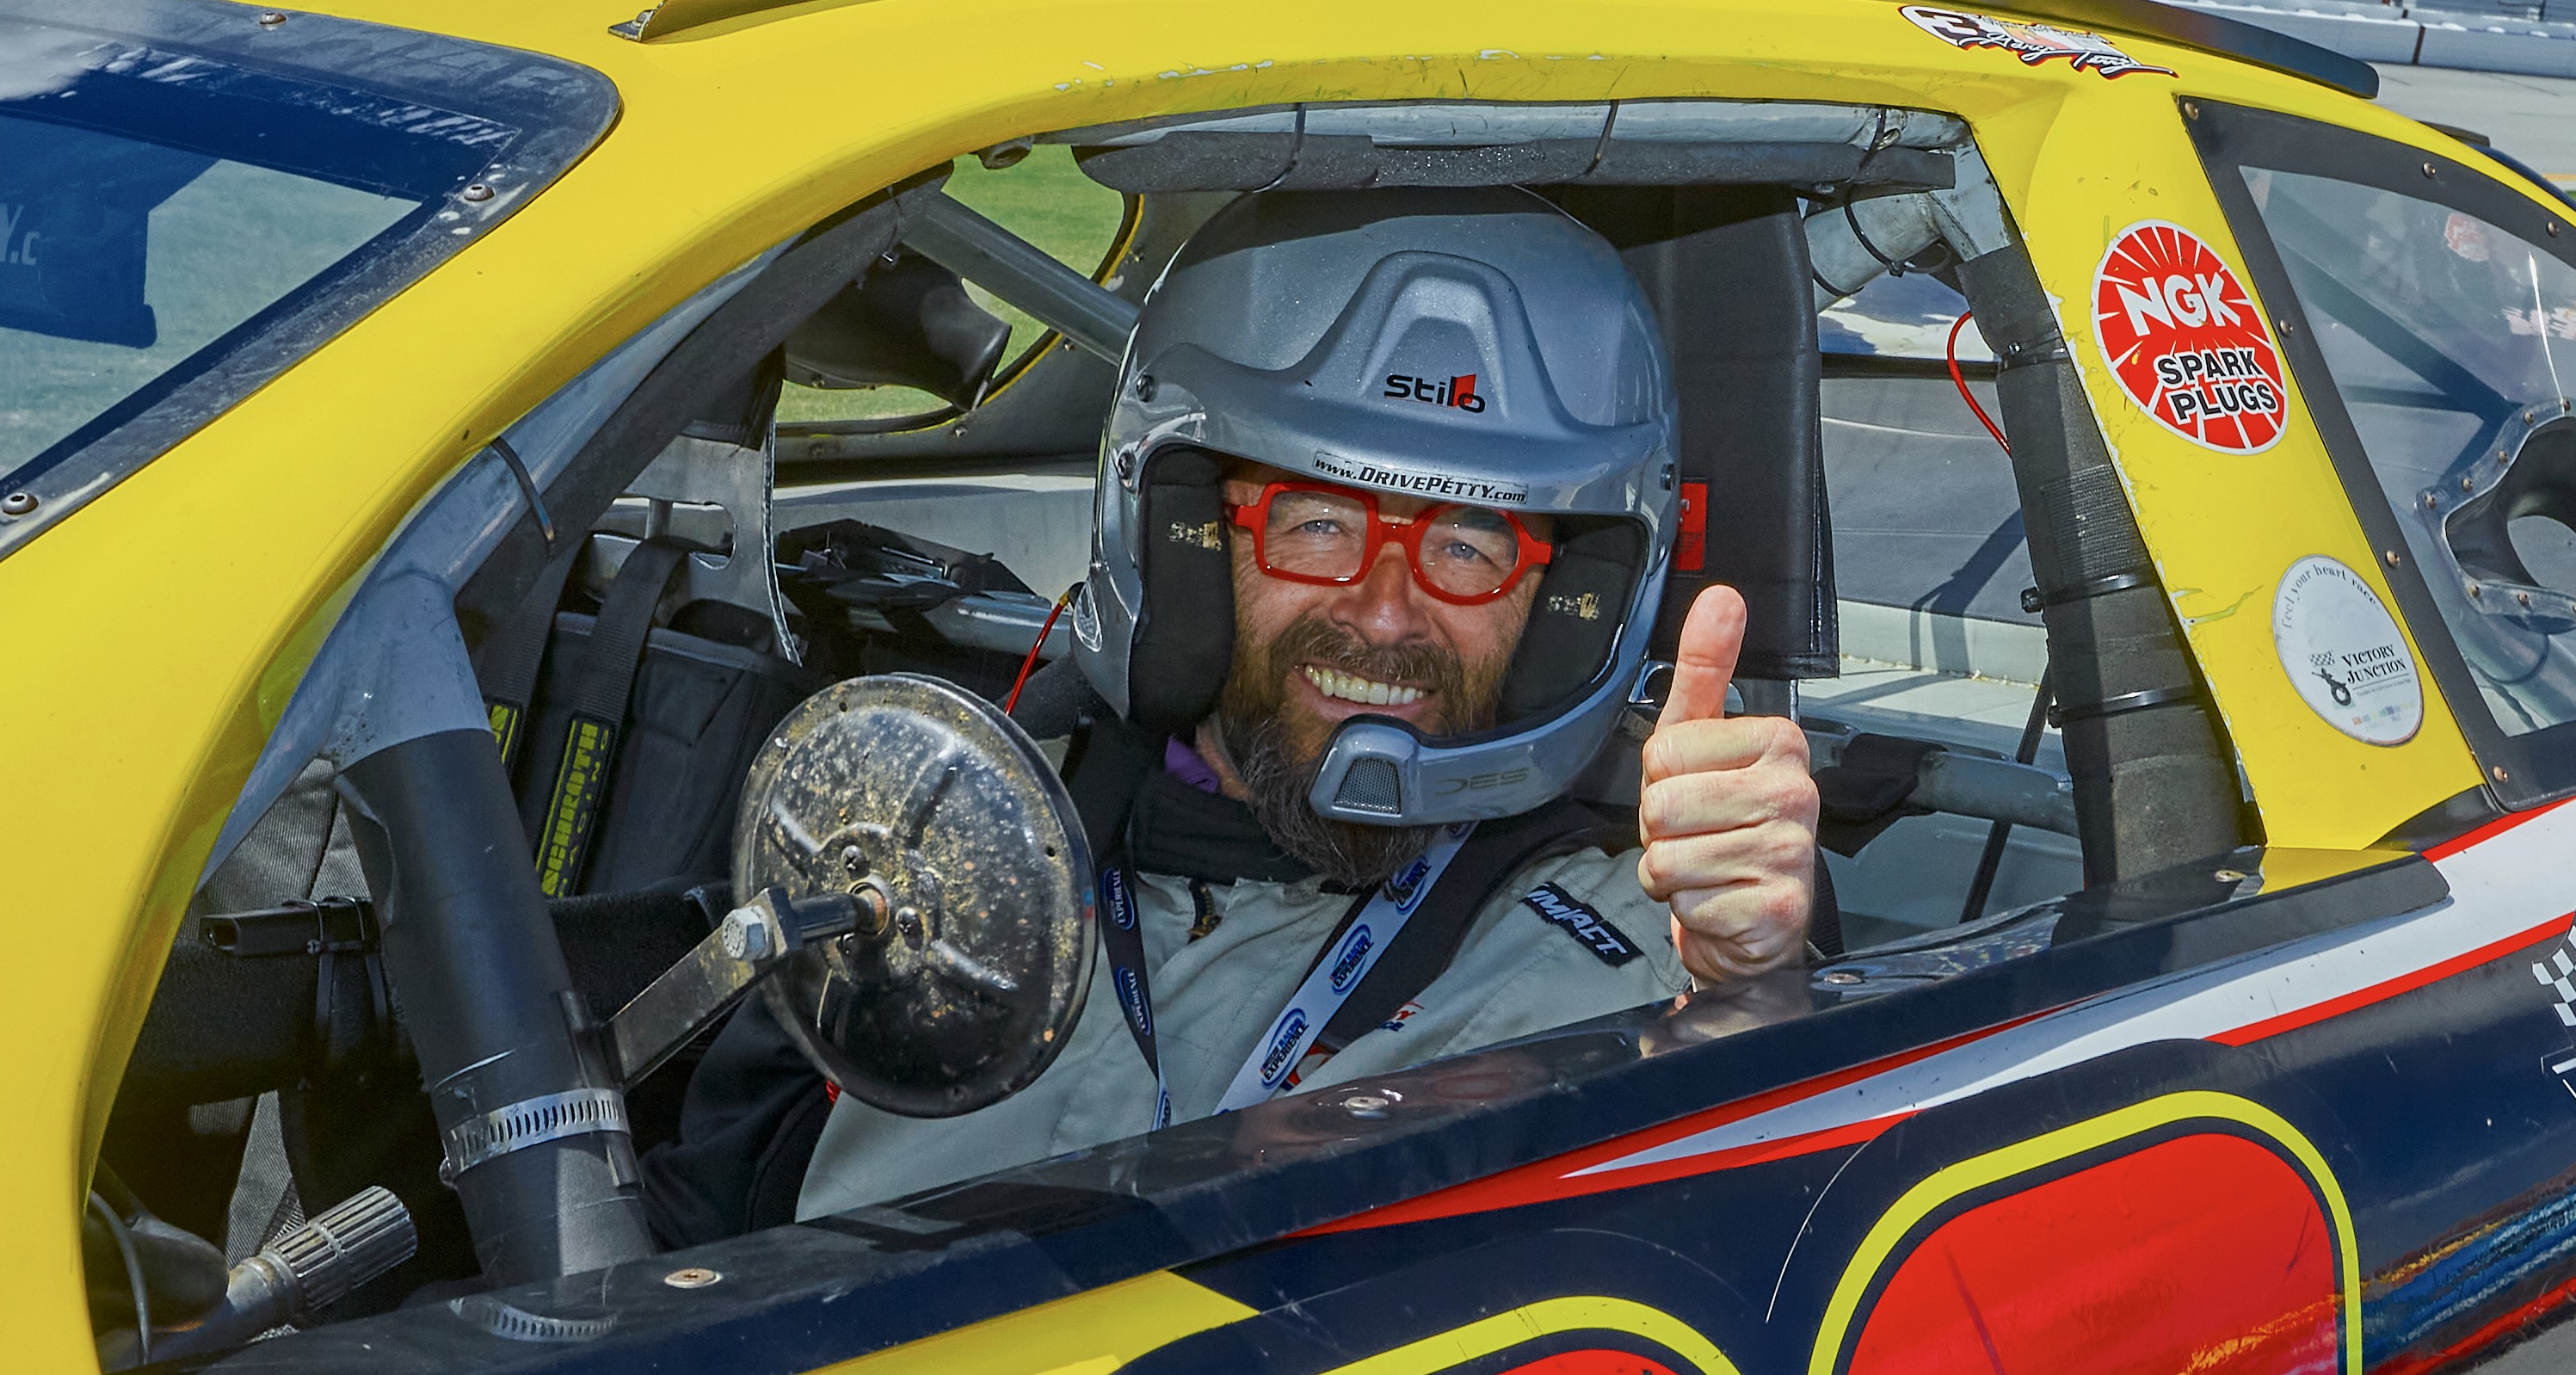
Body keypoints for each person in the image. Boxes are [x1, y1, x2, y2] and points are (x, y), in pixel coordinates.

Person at [660, 188, 1821, 1230]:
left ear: (1561, 602)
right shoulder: (952, 841)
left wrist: (1746, 998)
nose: (1382, 612)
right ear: (1189, 542)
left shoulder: (1639, 952)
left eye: (1470, 544)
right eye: (1316, 522)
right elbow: (699, 1227)